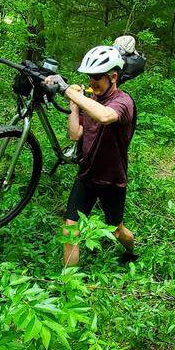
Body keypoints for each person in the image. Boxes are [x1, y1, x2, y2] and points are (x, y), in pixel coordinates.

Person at [50, 45, 137, 267]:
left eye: (97, 77)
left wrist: (71, 93)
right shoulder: (91, 101)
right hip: (87, 175)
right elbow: (75, 134)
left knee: (117, 230)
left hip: (111, 179)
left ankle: (131, 251)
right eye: (90, 77)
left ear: (113, 76)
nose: (92, 82)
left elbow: (106, 116)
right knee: (70, 227)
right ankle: (69, 282)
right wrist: (74, 104)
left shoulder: (123, 101)